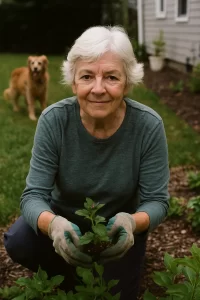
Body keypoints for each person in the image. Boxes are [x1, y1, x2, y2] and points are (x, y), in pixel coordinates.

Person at [4, 25, 170, 299]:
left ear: (127, 82)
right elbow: (33, 195)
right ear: (73, 82)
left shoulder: (148, 125)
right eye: (87, 76)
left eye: (111, 77)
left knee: (114, 294)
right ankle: (67, 267)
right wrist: (54, 225)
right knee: (20, 241)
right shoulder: (54, 120)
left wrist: (132, 223)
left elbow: (157, 201)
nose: (98, 88)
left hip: (119, 226)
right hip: (63, 219)